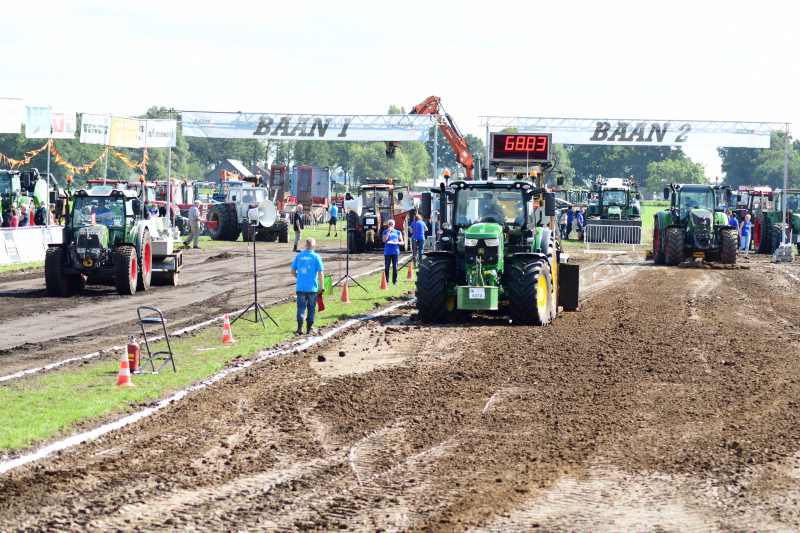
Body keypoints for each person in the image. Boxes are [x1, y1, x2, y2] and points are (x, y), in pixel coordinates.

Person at [291, 237, 325, 335]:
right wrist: (322, 286)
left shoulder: (299, 256)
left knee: (301, 306)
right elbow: (321, 273)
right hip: (312, 288)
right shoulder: (316, 256)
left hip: (301, 287)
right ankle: (309, 328)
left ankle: (300, 328)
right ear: (314, 246)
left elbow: (292, 271)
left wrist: (299, 278)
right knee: (311, 307)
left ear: (305, 246)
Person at [382, 219, 404, 285]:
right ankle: (386, 281)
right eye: (389, 224)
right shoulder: (385, 232)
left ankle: (395, 281)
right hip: (388, 252)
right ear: (388, 225)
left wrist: (397, 243)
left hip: (395, 251)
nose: (390, 225)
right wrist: (388, 232)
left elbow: (402, 242)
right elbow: (384, 240)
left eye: (392, 224)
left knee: (395, 267)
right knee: (387, 267)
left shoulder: (398, 232)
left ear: (394, 225)